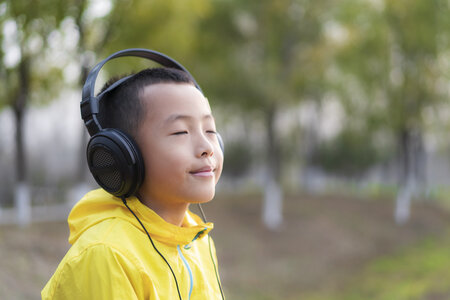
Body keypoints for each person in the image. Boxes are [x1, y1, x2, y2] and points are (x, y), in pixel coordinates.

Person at [41, 66, 225, 299]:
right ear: (123, 154)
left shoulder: (199, 243)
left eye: (210, 130)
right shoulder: (108, 255)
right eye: (180, 132)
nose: (207, 148)